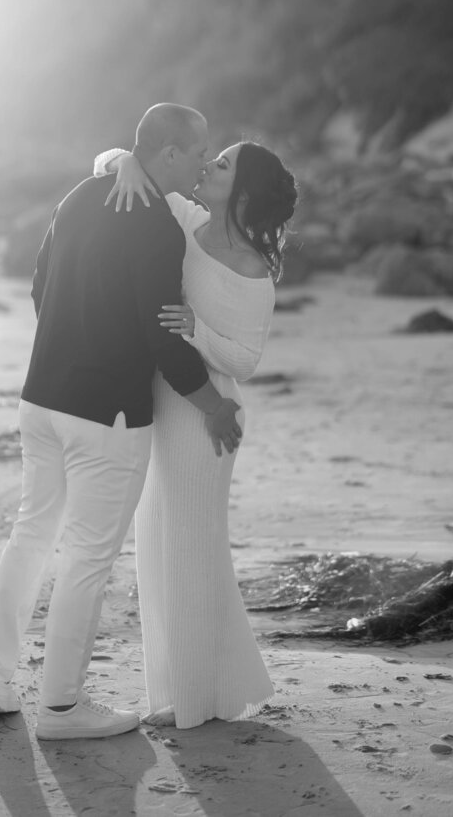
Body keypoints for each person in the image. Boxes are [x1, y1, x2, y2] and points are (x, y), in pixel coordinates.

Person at [0, 103, 243, 741]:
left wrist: (73, 343)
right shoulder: (155, 226)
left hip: (40, 399)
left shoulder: (81, 194)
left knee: (31, 537)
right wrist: (213, 403)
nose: (206, 159)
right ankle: (62, 709)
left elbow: (41, 286)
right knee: (88, 559)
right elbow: (163, 334)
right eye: (199, 147)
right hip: (109, 417)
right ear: (171, 153)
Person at [93, 138, 297, 729]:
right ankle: (200, 690)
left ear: (246, 190)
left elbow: (246, 360)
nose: (209, 166)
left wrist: (196, 331)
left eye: (225, 164)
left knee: (190, 549)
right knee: (160, 544)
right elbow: (103, 163)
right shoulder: (187, 217)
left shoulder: (253, 266)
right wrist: (128, 159)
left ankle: (192, 700)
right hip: (168, 402)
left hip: (210, 415)